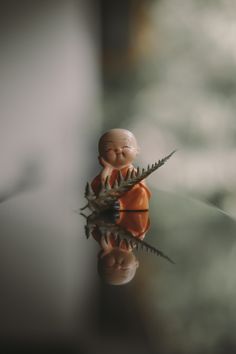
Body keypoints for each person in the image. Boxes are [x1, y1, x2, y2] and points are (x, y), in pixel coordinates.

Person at [91, 128, 151, 211]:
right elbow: (96, 190)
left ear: (137, 150)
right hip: (107, 214)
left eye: (125, 146)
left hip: (129, 214)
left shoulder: (134, 174)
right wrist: (106, 171)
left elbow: (139, 194)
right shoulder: (106, 173)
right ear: (101, 156)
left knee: (141, 192)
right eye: (109, 149)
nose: (118, 150)